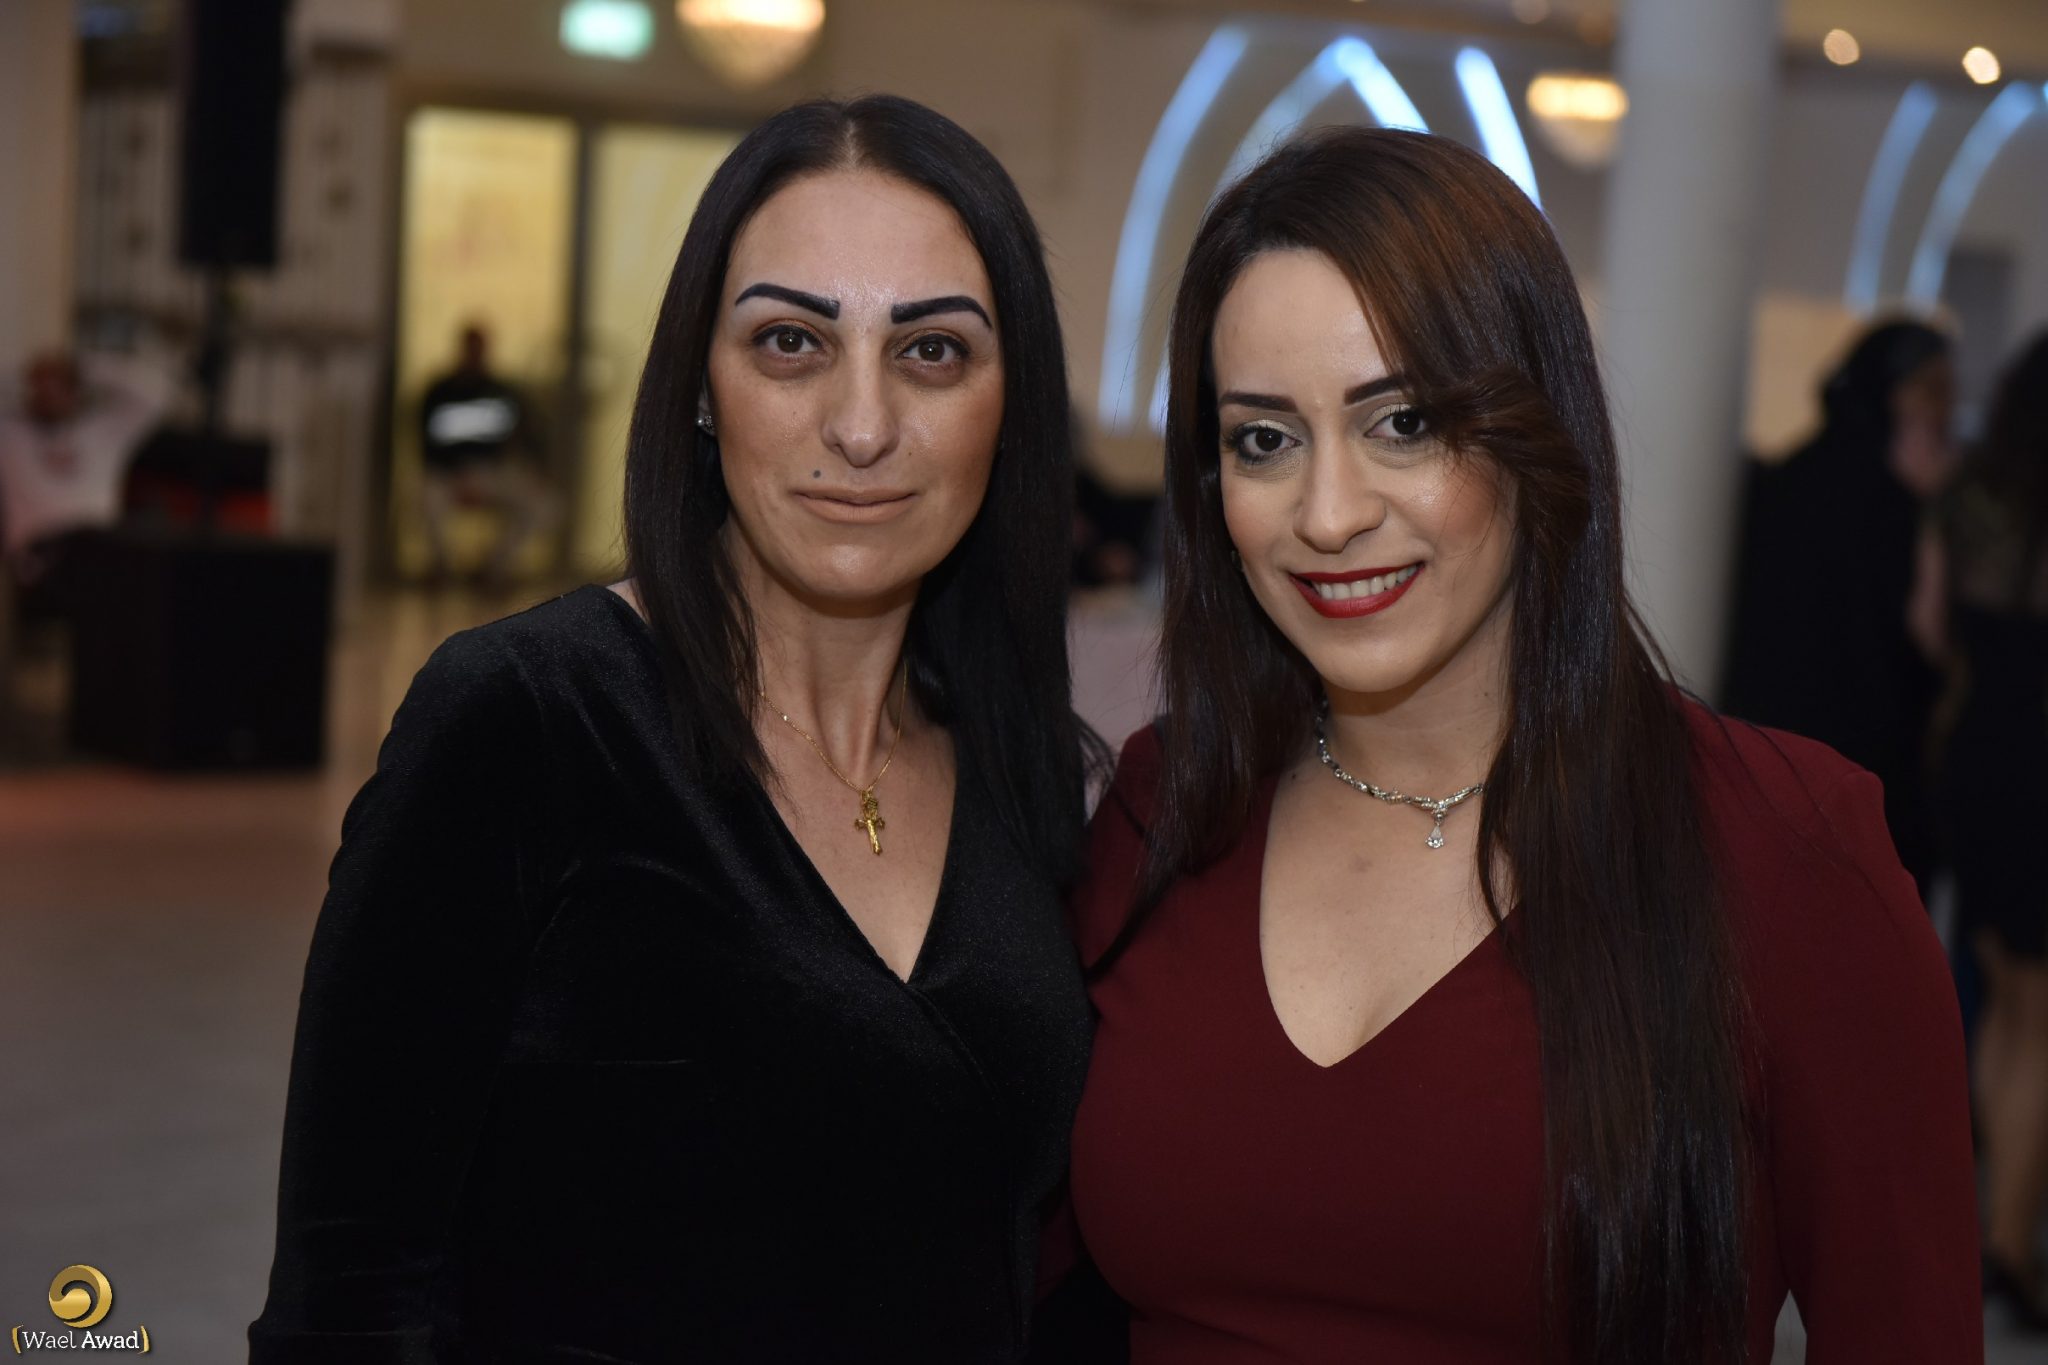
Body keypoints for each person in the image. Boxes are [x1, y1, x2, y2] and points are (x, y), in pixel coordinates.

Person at [1056, 127, 1981, 1362]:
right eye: (1262, 440)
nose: (1326, 515)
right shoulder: (1166, 806)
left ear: (1533, 427)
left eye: (1401, 423)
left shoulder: (1782, 847)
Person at [248, 95, 1099, 1363]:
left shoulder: (1022, 766)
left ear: (1010, 403)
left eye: (931, 351)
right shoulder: (526, 719)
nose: (861, 426)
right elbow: (350, 1298)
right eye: (790, 342)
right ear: (701, 384)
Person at [1721, 319, 1955, 891]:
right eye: (1934, 391)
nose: (1946, 412)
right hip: (1861, 779)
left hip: (1762, 764)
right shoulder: (1897, 508)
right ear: (1894, 393)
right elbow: (1927, 638)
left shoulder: (1787, 478)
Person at [1916, 330, 2048, 1334]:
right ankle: (2007, 1245)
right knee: (2038, 1013)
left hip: (1973, 752)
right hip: (2041, 759)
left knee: (2003, 995)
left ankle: (1988, 1225)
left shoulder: (1968, 493)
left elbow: (1929, 626)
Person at [0, 348, 171, 596]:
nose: (51, 394)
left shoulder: (103, 431)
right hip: (39, 561)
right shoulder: (10, 434)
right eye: (42, 387)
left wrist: (82, 367)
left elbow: (155, 395)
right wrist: (24, 370)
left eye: (60, 386)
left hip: (100, 553)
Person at [416, 322, 562, 589]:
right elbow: (427, 445)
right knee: (427, 498)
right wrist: (459, 477)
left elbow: (522, 439)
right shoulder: (439, 392)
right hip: (448, 475)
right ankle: (442, 570)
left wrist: (536, 472)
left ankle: (494, 568)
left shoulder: (502, 392)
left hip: (493, 473)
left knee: (545, 506)